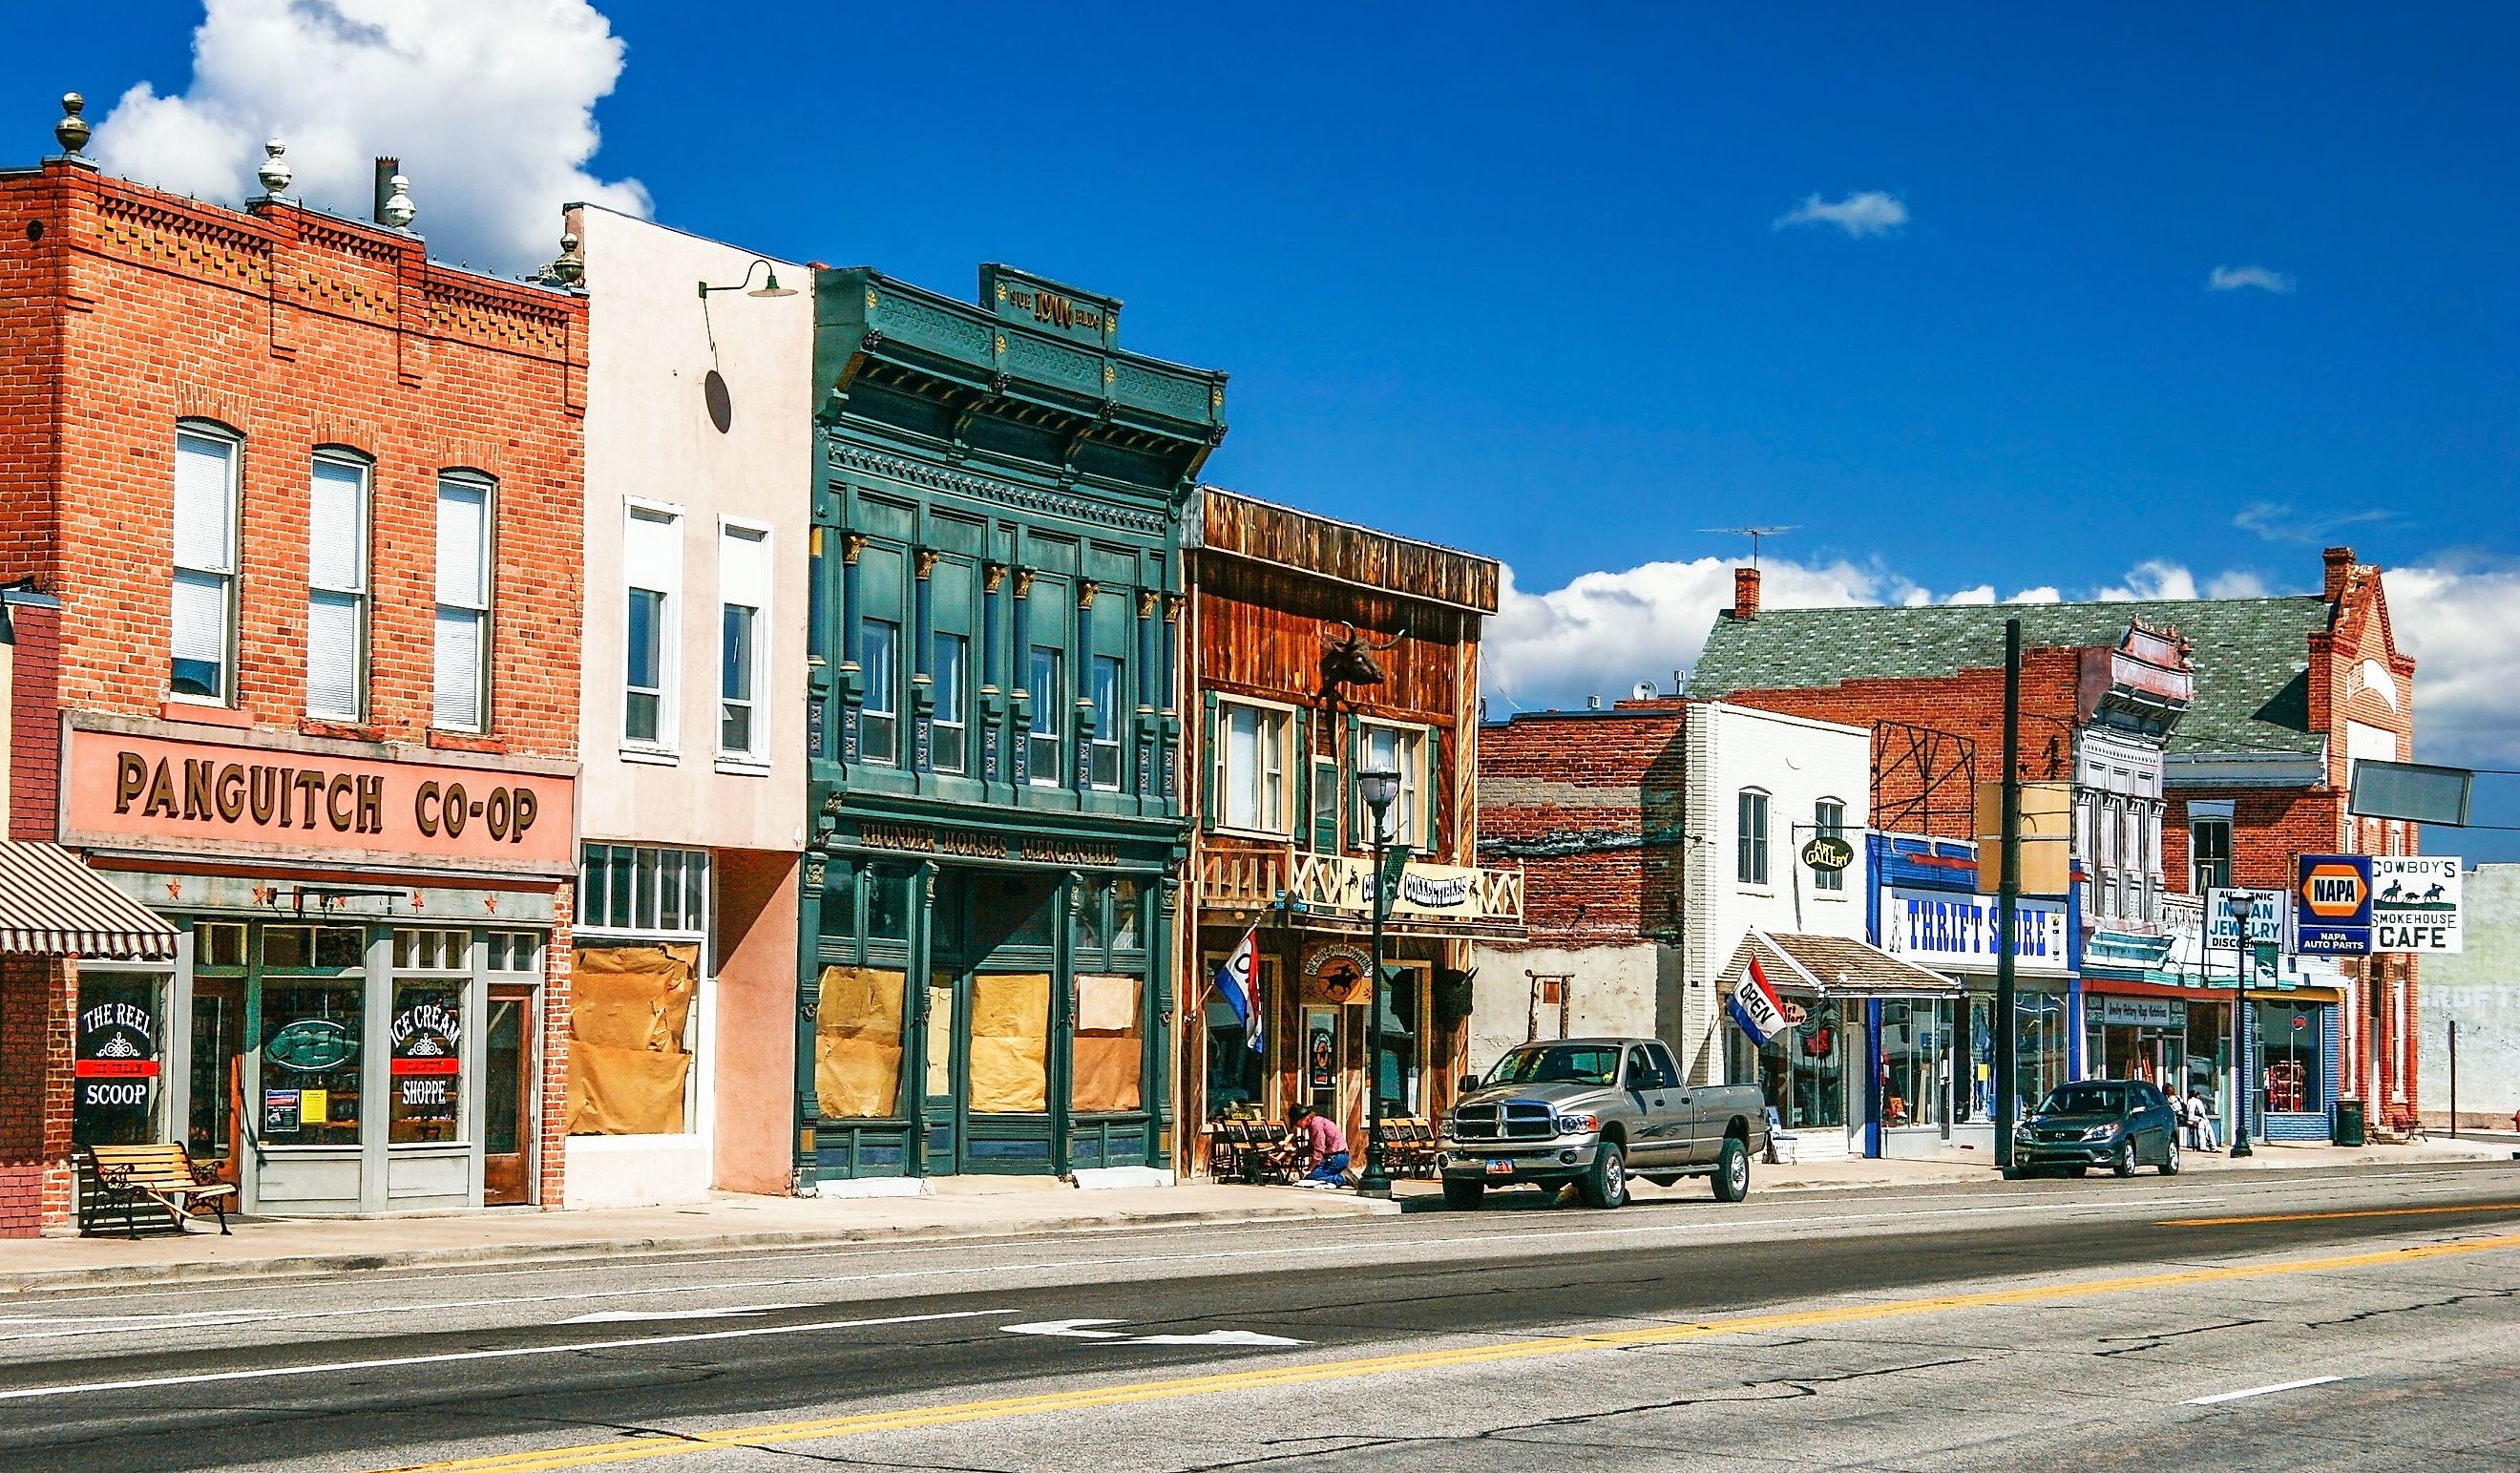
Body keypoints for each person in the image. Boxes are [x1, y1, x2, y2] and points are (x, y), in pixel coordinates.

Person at [1288, 1103, 1350, 1188]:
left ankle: (1342, 1178)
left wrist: (1309, 1169)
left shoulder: (1315, 1125)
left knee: (1311, 1178)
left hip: (1336, 1158)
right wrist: (1298, 1151)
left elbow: (1319, 1150)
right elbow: (1312, 1147)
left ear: (1304, 1119)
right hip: (1336, 1157)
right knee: (1311, 1176)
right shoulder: (1316, 1122)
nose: (1298, 1127)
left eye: (1297, 1123)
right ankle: (1336, 1175)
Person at [2186, 1086, 2218, 1151]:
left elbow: (2203, 1114)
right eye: (2197, 1094)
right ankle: (2203, 1146)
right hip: (2194, 1119)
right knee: (2202, 1126)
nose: (2199, 1095)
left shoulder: (2198, 1101)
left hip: (2201, 1119)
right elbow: (2191, 1113)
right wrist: (2196, 1120)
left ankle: (2213, 1146)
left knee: (2209, 1128)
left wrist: (2205, 1120)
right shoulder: (2192, 1101)